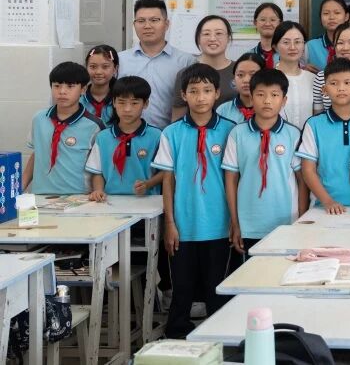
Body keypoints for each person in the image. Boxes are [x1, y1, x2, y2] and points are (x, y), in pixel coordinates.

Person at [151, 63, 235, 338]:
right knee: (182, 289)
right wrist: (170, 224)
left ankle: (220, 339)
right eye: (194, 91)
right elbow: (168, 180)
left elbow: (234, 180)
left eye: (207, 90)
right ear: (183, 95)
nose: (201, 97)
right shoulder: (171, 133)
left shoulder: (231, 131)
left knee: (216, 289)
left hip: (220, 224)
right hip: (183, 225)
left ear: (217, 93)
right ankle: (175, 339)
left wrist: (235, 222)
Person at [224, 68, 305, 253]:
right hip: (248, 223)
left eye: (274, 95)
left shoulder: (293, 134)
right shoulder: (237, 134)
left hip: (286, 222)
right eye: (260, 94)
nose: (267, 100)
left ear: (284, 100)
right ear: (251, 98)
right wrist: (235, 222)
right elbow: (231, 179)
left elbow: (302, 181)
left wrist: (301, 220)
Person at [298, 58, 350, 212]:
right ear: (324, 90)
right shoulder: (314, 124)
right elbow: (308, 170)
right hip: (324, 207)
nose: (341, 88)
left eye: (347, 83)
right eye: (334, 83)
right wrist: (328, 202)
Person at [24, 62, 104, 194]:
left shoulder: (95, 125)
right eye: (56, 86)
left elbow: (99, 166)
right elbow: (37, 154)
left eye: (70, 86)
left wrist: (98, 191)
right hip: (41, 195)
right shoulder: (39, 119)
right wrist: (20, 187)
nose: (62, 91)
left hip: (79, 197)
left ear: (83, 89)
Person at [118, 0, 196, 129]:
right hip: (129, 135)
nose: (147, 26)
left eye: (154, 20)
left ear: (166, 24)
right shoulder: (120, 60)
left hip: (171, 135)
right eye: (141, 21)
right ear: (134, 25)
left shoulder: (186, 61)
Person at [87, 76, 163, 199]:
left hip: (147, 202)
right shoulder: (102, 137)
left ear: (145, 104)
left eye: (134, 103)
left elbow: (165, 171)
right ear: (114, 102)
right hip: (110, 201)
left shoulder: (157, 136)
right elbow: (97, 172)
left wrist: (148, 184)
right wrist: (98, 190)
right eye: (121, 102)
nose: (127, 109)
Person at [172, 15, 236, 121]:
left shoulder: (240, 71)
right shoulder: (185, 74)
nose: (212, 38)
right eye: (206, 34)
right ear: (198, 39)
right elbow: (177, 119)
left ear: (228, 38)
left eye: (219, 33)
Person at [272, 21, 314, 127]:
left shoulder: (313, 79)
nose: (292, 47)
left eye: (298, 42)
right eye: (286, 42)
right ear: (275, 47)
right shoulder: (267, 79)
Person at [216, 54, 263, 125]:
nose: (246, 80)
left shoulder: (272, 108)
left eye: (253, 75)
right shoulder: (223, 110)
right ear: (234, 78)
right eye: (240, 75)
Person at [305, 0, 348, 69]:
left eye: (337, 13)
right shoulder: (310, 46)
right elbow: (297, 68)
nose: (331, 17)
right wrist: (303, 69)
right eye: (326, 13)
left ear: (346, 16)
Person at [83, 45, 119, 125]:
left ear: (115, 69)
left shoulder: (122, 99)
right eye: (93, 66)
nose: (98, 72)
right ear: (86, 68)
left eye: (105, 67)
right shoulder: (78, 98)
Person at [250, 2, 283, 68]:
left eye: (273, 20)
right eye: (263, 20)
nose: (267, 24)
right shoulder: (249, 56)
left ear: (280, 23)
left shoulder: (288, 54)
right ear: (255, 23)